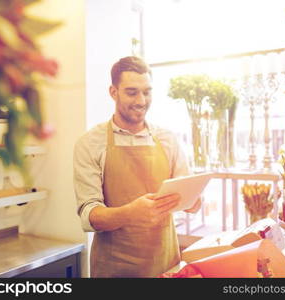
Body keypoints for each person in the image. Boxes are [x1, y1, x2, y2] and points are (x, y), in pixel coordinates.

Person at [73, 56, 201, 278]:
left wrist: (193, 201)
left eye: (147, 92)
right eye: (132, 92)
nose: (142, 100)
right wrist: (130, 213)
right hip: (114, 269)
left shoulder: (167, 139)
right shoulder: (90, 143)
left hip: (166, 264)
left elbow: (188, 198)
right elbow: (89, 215)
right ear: (113, 92)